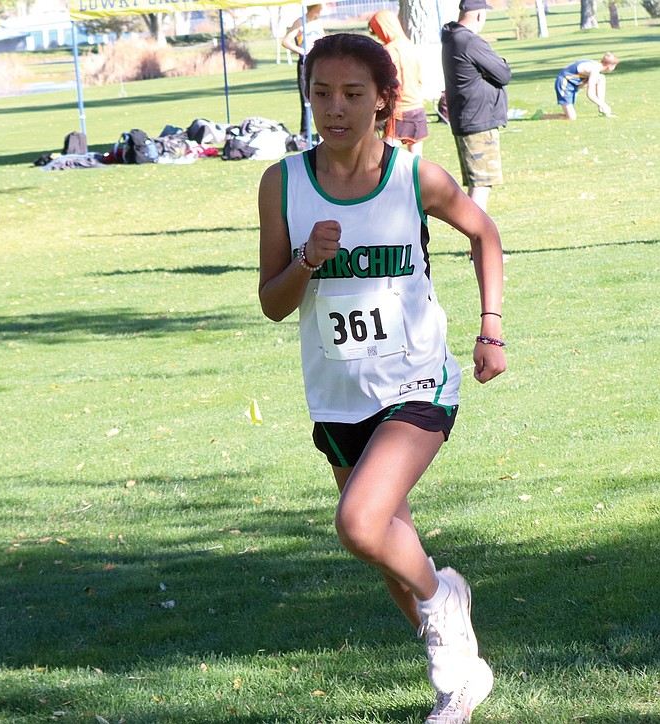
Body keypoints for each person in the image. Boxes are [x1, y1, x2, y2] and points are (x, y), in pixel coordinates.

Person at [258, 32, 507, 724]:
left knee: (360, 523)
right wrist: (306, 260)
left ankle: (445, 602)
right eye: (321, 94)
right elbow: (273, 304)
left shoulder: (412, 175)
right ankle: (458, 678)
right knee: (391, 548)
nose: (334, 109)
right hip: (337, 396)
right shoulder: (282, 182)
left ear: (383, 101)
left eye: (352, 95)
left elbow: (484, 233)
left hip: (419, 382)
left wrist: (491, 327)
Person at [441, 0, 511, 217]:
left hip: (467, 117)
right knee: (481, 184)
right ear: (479, 15)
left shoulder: (452, 37)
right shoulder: (469, 41)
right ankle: (478, 246)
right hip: (478, 120)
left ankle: (477, 245)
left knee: (478, 183)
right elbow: (503, 73)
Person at [368, 10, 428, 156]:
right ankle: (415, 178)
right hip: (417, 106)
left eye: (377, 31)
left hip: (399, 108)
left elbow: (388, 82)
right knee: (416, 156)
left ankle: (385, 178)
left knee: (385, 152)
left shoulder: (390, 51)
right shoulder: (410, 46)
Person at [282, 4, 325, 138]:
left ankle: (321, 132)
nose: (321, 10)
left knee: (322, 97)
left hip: (320, 63)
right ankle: (305, 132)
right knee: (307, 99)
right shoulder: (300, 22)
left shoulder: (318, 22)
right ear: (313, 8)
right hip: (305, 63)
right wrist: (303, 52)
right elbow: (286, 41)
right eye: (319, 8)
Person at [537, 53, 619, 120]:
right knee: (571, 117)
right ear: (609, 66)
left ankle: (602, 109)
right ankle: (539, 115)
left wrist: (601, 105)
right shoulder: (594, 70)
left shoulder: (596, 66)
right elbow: (590, 94)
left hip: (574, 83)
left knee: (601, 78)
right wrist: (604, 105)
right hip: (564, 84)